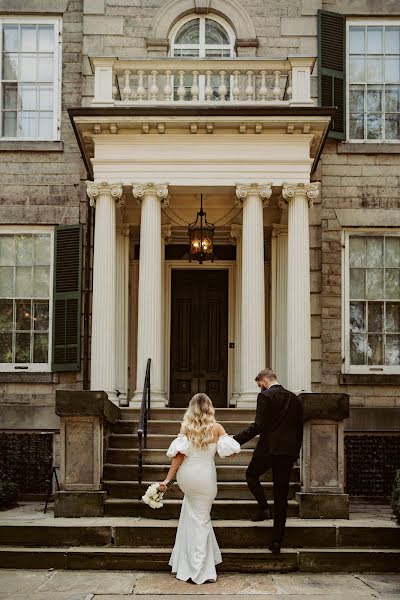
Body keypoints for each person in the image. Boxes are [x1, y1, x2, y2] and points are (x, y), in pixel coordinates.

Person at [159, 393, 240, 584]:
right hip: (205, 477)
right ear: (210, 408)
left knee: (191, 517)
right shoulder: (218, 428)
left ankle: (184, 563)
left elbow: (178, 457)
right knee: (201, 519)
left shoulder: (186, 428)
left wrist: (167, 480)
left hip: (187, 476)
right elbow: (230, 454)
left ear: (192, 408)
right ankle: (198, 569)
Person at [233, 368, 303, 556]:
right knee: (281, 497)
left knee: (251, 475)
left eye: (259, 385)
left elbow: (259, 426)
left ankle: (264, 507)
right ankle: (276, 541)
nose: (260, 389)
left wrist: (235, 440)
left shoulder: (265, 397)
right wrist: (295, 452)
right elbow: (299, 429)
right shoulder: (295, 398)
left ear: (264, 380)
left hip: (268, 450)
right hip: (287, 452)